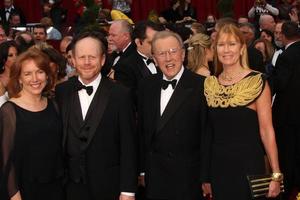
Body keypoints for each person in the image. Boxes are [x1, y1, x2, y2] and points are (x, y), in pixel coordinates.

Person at [202, 24, 282, 200]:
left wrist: (276, 174)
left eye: (232, 44)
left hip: (248, 166)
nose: (226, 49)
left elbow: (267, 131)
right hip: (219, 167)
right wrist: (205, 176)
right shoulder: (209, 84)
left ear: (241, 48)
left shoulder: (257, 81)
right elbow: (208, 133)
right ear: (215, 49)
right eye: (221, 44)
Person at [55, 31, 137, 200]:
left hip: (109, 187)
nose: (86, 62)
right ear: (73, 60)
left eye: (92, 57)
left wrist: (128, 191)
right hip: (70, 188)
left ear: (102, 59)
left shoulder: (120, 94)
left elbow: (129, 146)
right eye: (81, 57)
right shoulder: (62, 91)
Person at [137, 30, 207, 200]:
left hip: (188, 177)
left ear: (182, 54)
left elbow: (207, 135)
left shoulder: (201, 86)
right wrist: (142, 169)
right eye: (161, 53)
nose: (168, 58)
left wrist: (206, 177)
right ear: (154, 59)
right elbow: (141, 131)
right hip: (155, 177)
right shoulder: (146, 85)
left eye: (173, 51)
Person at [0, 48, 64, 200]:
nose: (35, 79)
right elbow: (5, 161)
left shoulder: (54, 105)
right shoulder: (9, 111)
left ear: (47, 76)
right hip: (24, 190)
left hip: (55, 187)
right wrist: (14, 195)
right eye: (27, 73)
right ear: (19, 78)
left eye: (40, 72)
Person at [271, 21, 300, 199]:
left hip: (288, 117)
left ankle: (288, 190)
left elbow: (280, 84)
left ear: (283, 35)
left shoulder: (286, 56)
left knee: (288, 156)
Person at [0, 40, 18, 107]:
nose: (15, 58)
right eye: (11, 55)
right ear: (3, 58)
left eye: (17, 54)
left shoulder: (22, 76)